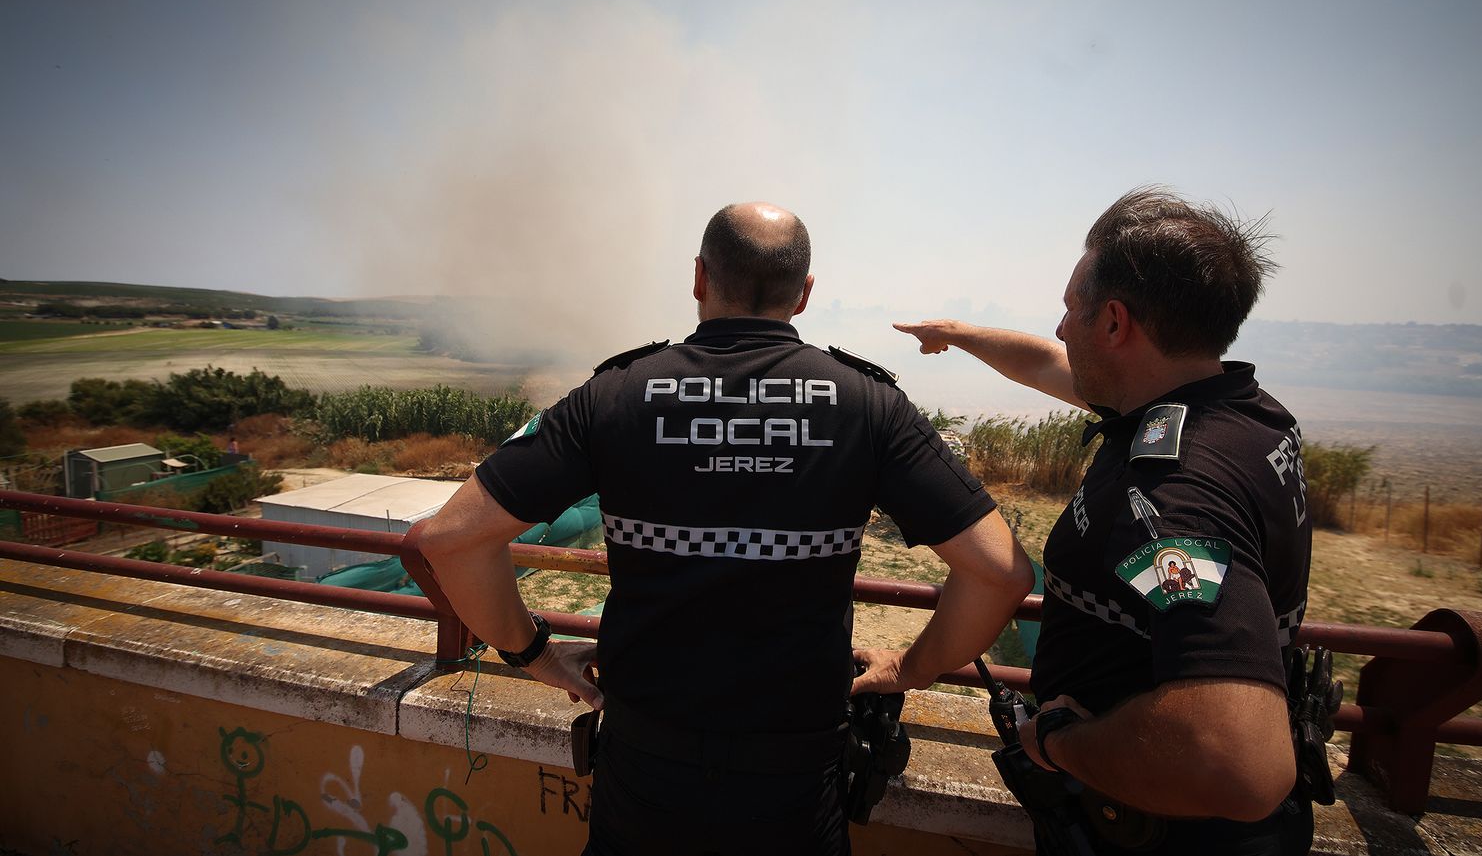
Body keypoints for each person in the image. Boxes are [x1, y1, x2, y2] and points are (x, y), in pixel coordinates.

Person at [413, 202, 1035, 856]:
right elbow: (1000, 572)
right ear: (805, 292)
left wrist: (535, 653)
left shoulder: (615, 394)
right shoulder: (869, 404)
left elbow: (451, 539)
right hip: (795, 783)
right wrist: (911, 666)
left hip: (643, 772)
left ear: (699, 278)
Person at [886, 187, 1314, 855]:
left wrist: (1059, 744)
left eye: (1070, 308)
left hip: (1160, 837)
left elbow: (1239, 763)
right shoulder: (1236, 411)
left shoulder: (1173, 495)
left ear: (1114, 325)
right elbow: (1044, 362)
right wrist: (955, 333)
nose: (1061, 329)